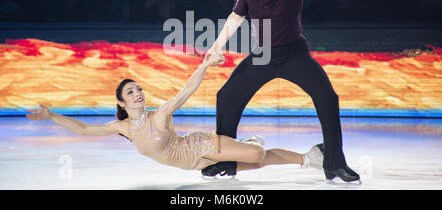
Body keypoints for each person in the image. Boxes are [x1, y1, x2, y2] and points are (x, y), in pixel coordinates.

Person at [202, 0, 361, 182]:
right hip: (263, 54)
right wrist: (216, 47)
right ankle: (225, 160)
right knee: (226, 97)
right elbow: (236, 16)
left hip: (293, 54)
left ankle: (334, 163)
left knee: (328, 98)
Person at [26, 52, 324, 173]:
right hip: (195, 165)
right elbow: (83, 129)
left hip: (200, 145)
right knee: (255, 164)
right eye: (130, 92)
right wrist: (51, 116)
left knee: (256, 156)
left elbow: (185, 92)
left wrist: (205, 65)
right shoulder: (124, 128)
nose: (137, 93)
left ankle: (251, 143)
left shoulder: (159, 114)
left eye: (138, 89)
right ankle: (306, 159)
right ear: (121, 102)